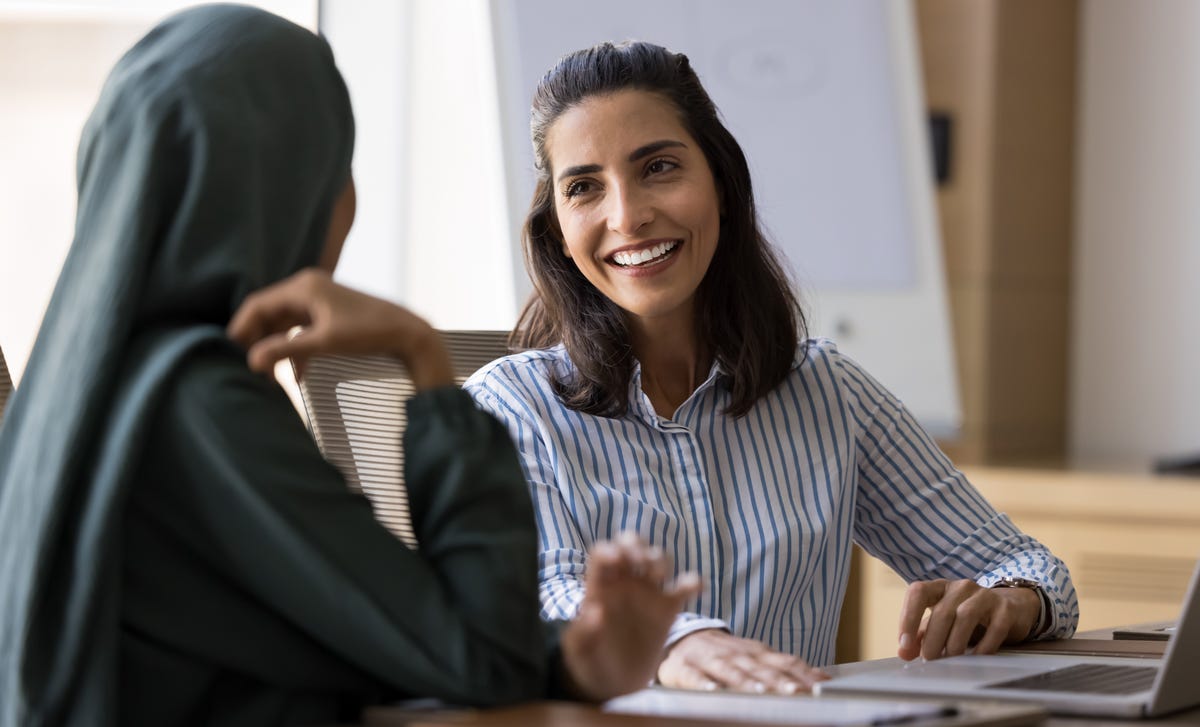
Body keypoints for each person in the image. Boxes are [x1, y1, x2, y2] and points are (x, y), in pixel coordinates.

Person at [0, 10, 700, 726]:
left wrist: (576, 660)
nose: (349, 200)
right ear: (278, 186)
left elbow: (381, 636)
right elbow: (482, 656)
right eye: (337, 166)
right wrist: (423, 357)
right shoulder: (199, 405)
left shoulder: (80, 406)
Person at [464, 40, 1080, 695]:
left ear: (721, 187)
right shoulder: (509, 406)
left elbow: (1029, 567)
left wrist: (1015, 600)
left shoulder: (828, 391)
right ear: (557, 227)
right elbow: (542, 588)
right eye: (584, 187)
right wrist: (675, 640)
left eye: (659, 167)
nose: (628, 215)